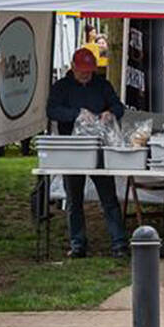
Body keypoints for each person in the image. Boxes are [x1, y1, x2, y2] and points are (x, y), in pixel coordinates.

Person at [46, 48, 128, 258]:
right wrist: (77, 114)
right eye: (82, 71)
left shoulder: (102, 85)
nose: (85, 75)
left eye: (89, 71)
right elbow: (52, 111)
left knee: (108, 197)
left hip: (99, 146)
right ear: (73, 67)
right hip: (72, 148)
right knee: (74, 198)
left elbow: (119, 106)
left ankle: (119, 243)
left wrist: (110, 113)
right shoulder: (61, 87)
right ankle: (77, 244)